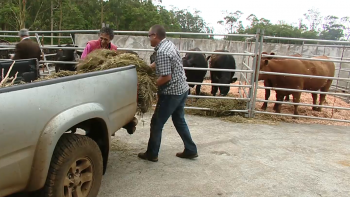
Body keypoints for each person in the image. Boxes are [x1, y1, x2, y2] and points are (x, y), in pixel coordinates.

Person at [138, 24, 198, 162]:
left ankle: (152, 153)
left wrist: (150, 86)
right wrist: (147, 68)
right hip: (182, 88)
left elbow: (166, 77)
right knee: (179, 120)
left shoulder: (162, 52)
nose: (149, 39)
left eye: (149, 36)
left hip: (172, 93)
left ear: (154, 35)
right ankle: (191, 149)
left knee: (156, 123)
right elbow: (160, 64)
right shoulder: (168, 45)